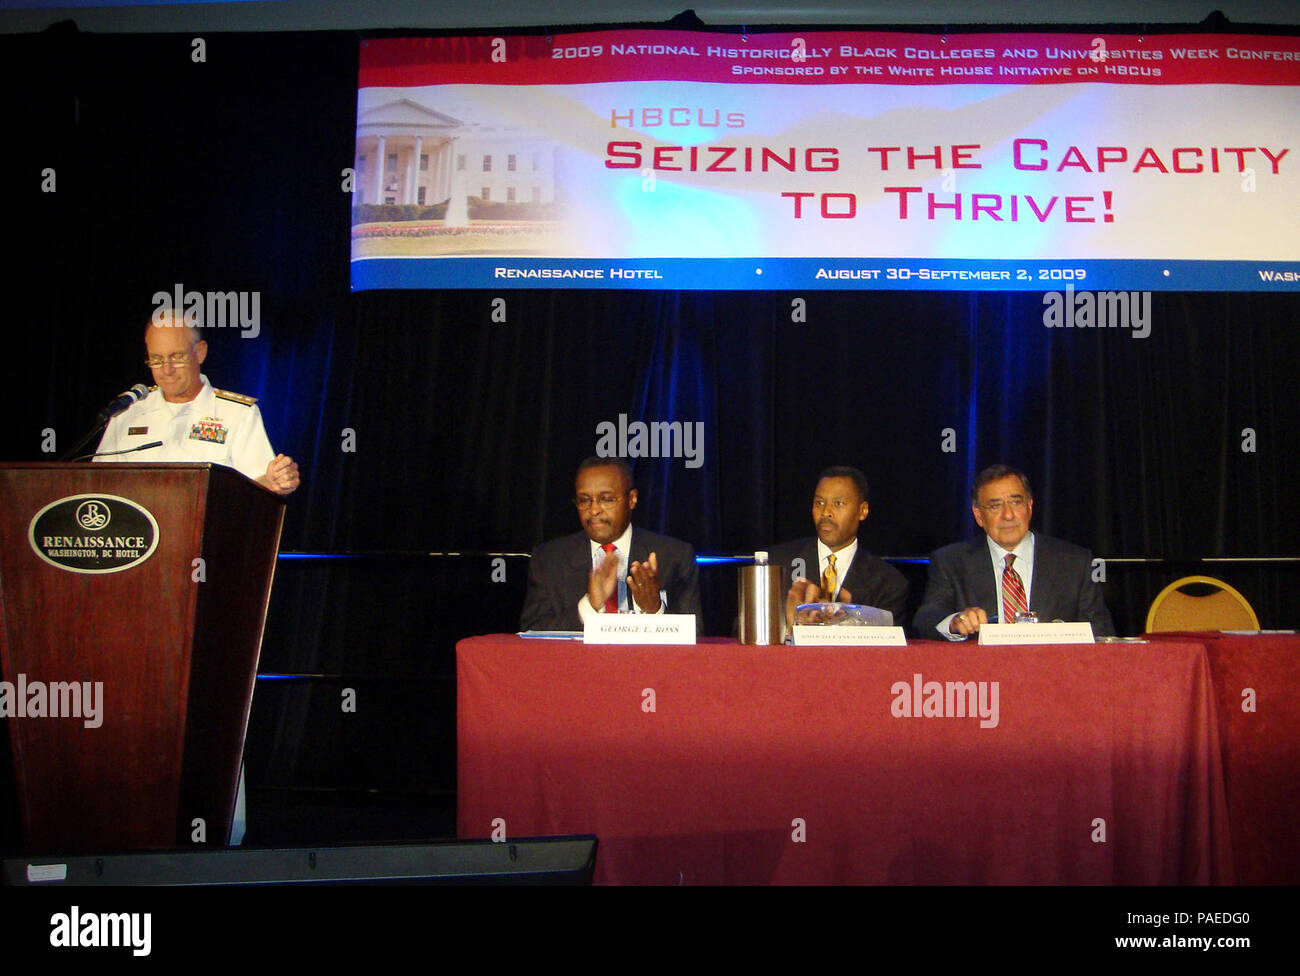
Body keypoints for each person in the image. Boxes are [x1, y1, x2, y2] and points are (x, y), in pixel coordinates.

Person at [94, 309, 300, 495]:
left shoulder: (237, 415)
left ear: (200, 352)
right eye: (156, 359)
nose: (167, 370)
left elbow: (258, 487)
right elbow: (97, 484)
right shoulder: (127, 411)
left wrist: (273, 481)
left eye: (177, 357)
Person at [914, 464, 1116, 639]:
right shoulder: (951, 561)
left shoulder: (1075, 562)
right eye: (995, 506)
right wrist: (955, 622)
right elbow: (926, 619)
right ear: (978, 516)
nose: (1008, 515)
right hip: (982, 676)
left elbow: (1101, 632)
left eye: (1016, 502)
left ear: (1029, 507)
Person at [520, 458, 702, 631]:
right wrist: (589, 607)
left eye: (606, 499)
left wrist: (655, 610)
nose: (594, 510)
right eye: (584, 500)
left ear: (631, 499)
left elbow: (696, 637)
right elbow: (531, 634)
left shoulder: (675, 556)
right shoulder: (548, 560)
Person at [770, 466, 908, 630]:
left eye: (838, 504)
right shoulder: (777, 564)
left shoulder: (888, 582)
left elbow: (891, 651)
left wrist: (844, 625)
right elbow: (744, 633)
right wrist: (788, 626)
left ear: (862, 511)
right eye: (819, 503)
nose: (826, 512)